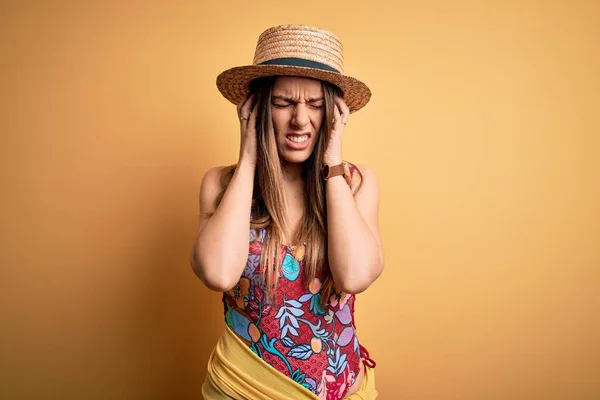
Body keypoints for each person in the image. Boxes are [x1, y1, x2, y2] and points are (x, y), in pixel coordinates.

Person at [191, 24, 384, 399]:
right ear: (259, 108)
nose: (300, 120)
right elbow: (217, 272)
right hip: (242, 389)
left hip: (341, 390)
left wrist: (332, 161)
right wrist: (248, 158)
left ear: (334, 114)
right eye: (282, 103)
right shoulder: (219, 184)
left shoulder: (358, 184)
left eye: (315, 105)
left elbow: (355, 276)